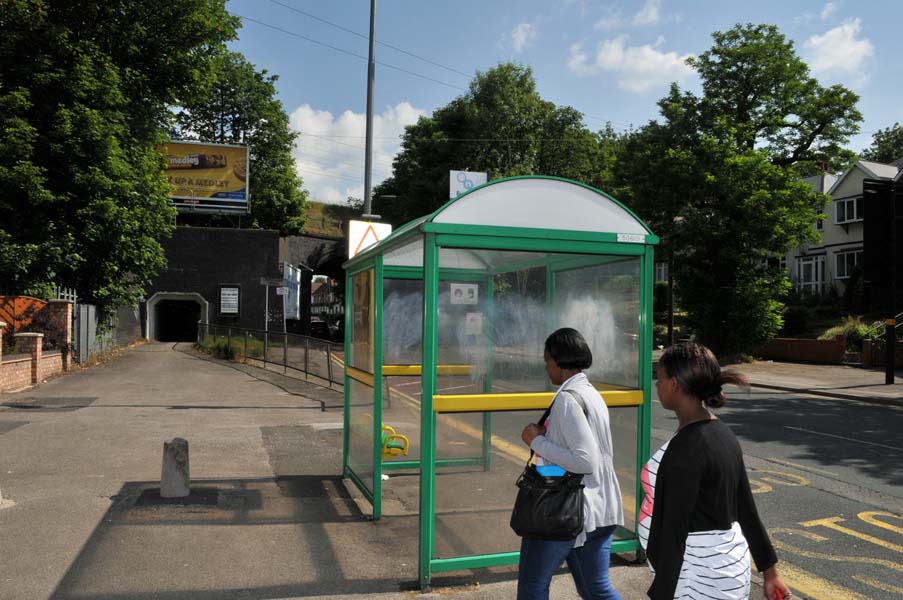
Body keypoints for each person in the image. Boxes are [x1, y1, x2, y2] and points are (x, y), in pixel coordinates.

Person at [640, 342, 791, 600]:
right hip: (719, 570)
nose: (657, 384)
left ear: (675, 384)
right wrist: (770, 572)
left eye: (661, 377)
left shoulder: (686, 449)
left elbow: (672, 535)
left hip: (698, 576)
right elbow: (746, 507)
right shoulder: (720, 432)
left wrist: (660, 595)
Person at [518, 327, 624, 600]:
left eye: (547, 360)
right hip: (601, 508)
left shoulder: (567, 399)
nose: (546, 367)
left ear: (558, 361)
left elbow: (584, 460)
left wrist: (535, 441)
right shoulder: (590, 393)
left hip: (567, 511)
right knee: (596, 589)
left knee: (532, 586)